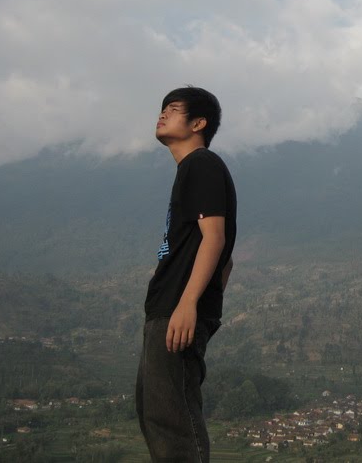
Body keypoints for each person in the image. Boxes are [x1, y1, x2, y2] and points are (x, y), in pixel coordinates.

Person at [136, 86, 237, 462]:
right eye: (161, 108)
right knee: (157, 417)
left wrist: (191, 303)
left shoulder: (201, 164)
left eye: (173, 109)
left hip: (177, 310)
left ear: (198, 123)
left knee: (174, 428)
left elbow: (215, 238)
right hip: (168, 308)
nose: (162, 115)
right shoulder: (190, 170)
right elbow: (226, 262)